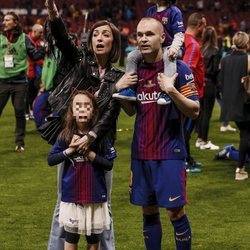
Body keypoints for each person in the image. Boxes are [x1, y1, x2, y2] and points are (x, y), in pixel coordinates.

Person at [45, 1, 135, 249]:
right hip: (71, 140)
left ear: (114, 42)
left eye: (105, 34)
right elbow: (63, 41)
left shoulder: (119, 75)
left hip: (102, 145)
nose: (99, 38)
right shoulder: (81, 61)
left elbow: (109, 115)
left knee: (103, 203)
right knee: (63, 202)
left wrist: (92, 137)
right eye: (95, 34)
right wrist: (54, 16)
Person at [115, 17, 199, 250]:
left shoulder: (178, 68)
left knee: (175, 212)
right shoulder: (135, 70)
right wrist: (120, 90)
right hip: (140, 153)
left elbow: (194, 110)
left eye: (149, 34)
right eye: (140, 34)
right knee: (148, 211)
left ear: (163, 38)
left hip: (169, 153)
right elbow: (132, 111)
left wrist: (171, 90)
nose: (143, 39)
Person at [48, 91, 116, 250]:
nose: (83, 109)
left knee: (93, 240)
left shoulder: (100, 137)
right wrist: (69, 151)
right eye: (78, 106)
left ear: (93, 112)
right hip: (73, 197)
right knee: (71, 238)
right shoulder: (65, 136)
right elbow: (51, 160)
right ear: (71, 112)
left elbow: (108, 164)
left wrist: (89, 154)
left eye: (87, 106)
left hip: (95, 197)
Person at [113, 0, 185, 105]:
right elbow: (144, 29)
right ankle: (130, 89)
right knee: (133, 55)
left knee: (167, 55)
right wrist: (140, 46)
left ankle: (167, 92)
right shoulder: (150, 11)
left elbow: (179, 34)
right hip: (155, 46)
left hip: (171, 47)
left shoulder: (174, 11)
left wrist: (174, 48)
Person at [0, 12, 45, 152]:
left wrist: (44, 48)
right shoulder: (0, 38)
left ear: (15, 22)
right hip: (2, 81)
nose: (4, 22)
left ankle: (20, 142)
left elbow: (35, 55)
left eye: (7, 20)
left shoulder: (24, 38)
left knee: (19, 112)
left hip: (19, 82)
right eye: (4, 20)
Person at [220, 31, 250, 180]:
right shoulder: (248, 59)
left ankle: (233, 156)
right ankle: (240, 168)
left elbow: (222, 83)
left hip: (231, 104)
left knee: (245, 134)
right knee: (246, 135)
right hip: (245, 104)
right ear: (246, 44)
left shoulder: (225, 60)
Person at [182, 12, 207, 172]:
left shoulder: (182, 39)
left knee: (185, 131)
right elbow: (187, 68)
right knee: (185, 131)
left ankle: (188, 159)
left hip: (185, 94)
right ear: (199, 26)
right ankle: (184, 163)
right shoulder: (192, 44)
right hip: (191, 94)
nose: (205, 29)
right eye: (204, 26)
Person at [195, 26, 220, 150]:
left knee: (200, 112)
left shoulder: (200, 49)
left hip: (200, 83)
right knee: (206, 114)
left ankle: (199, 138)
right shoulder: (215, 50)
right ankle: (203, 140)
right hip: (209, 83)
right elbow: (215, 70)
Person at [26, 23, 44, 120]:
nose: (41, 35)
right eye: (40, 33)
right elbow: (33, 58)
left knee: (32, 93)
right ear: (34, 31)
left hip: (34, 72)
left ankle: (31, 112)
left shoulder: (37, 41)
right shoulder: (27, 41)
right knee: (27, 93)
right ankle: (26, 113)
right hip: (28, 71)